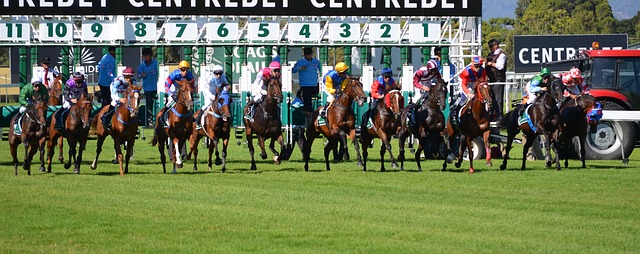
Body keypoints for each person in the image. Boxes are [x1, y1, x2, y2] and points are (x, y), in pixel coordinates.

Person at [450, 56, 488, 125]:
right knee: (464, 98)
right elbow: (463, 85)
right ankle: (454, 115)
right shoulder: (466, 72)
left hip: (475, 83)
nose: (478, 68)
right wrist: (468, 93)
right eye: (476, 66)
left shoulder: (483, 70)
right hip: (465, 83)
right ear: (472, 64)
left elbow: (484, 81)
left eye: (480, 66)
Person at [159, 60, 195, 125]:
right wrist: (170, 93)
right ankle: (162, 116)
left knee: (191, 102)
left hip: (185, 90)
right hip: (174, 88)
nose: (185, 72)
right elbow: (166, 85)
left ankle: (192, 117)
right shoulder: (174, 74)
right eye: (183, 70)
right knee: (170, 102)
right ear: (179, 69)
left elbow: (192, 86)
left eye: (186, 70)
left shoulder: (189, 75)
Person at [292, 47, 321, 112]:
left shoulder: (316, 62)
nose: (308, 56)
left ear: (312, 54)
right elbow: (293, 70)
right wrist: (300, 68)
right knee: (307, 102)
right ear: (304, 55)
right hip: (305, 86)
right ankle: (309, 115)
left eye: (309, 54)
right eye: (307, 54)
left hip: (314, 85)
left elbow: (321, 69)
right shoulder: (300, 62)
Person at [486, 39, 507, 120]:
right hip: (490, 80)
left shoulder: (501, 55)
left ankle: (499, 116)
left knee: (498, 98)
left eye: (491, 46)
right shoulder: (490, 55)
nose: (490, 48)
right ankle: (491, 114)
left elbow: (500, 66)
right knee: (490, 98)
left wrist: (490, 63)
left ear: (496, 45)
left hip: (498, 79)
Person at [137, 47, 158, 127]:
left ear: (150, 55)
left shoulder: (156, 63)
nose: (145, 57)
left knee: (157, 104)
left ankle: (157, 120)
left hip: (156, 88)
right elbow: (138, 75)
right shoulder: (142, 65)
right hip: (147, 88)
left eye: (147, 55)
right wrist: (141, 75)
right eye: (144, 56)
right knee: (149, 106)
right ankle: (149, 122)